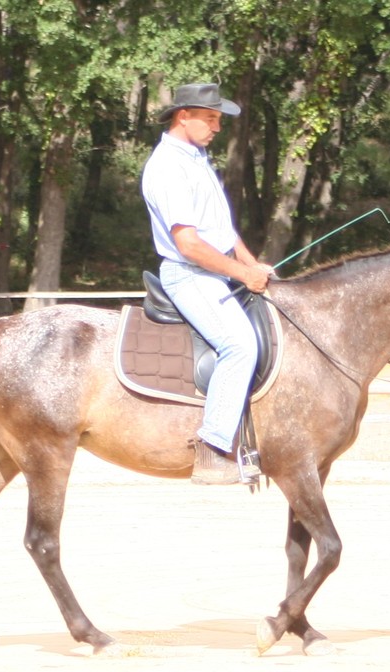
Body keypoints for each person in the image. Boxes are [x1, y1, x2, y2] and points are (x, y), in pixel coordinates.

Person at [141, 82, 274, 485]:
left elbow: (221, 229)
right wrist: (242, 274)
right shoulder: (168, 167)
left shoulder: (196, 158)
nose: (217, 127)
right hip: (190, 274)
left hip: (215, 270)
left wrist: (252, 264)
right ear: (184, 117)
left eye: (218, 120)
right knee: (240, 345)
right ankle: (212, 450)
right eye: (211, 119)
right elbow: (189, 244)